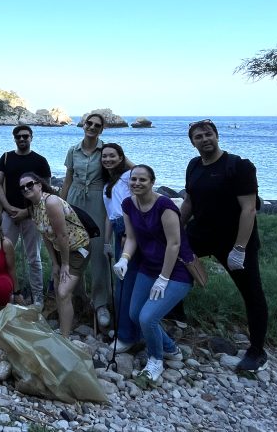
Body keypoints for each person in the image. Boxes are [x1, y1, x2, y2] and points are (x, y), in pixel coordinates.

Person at [180, 119, 268, 372]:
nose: (204, 139)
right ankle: (176, 314)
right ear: (193, 142)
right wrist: (174, 231)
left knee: (251, 293)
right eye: (198, 136)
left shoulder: (238, 166)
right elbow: (189, 202)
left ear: (217, 136)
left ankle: (257, 350)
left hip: (235, 240)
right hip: (202, 233)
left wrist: (239, 249)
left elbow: (249, 209)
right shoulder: (194, 166)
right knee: (171, 261)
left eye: (208, 134)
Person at [118, 164, 194, 383]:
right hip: (148, 267)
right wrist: (125, 258)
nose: (137, 183)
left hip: (175, 271)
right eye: (134, 179)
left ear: (152, 182)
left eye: (143, 180)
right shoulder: (128, 204)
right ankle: (171, 348)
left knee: (148, 317)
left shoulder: (165, 205)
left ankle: (156, 359)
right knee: (134, 315)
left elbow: (174, 244)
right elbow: (131, 238)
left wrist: (163, 278)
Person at [20, 172, 90, 336]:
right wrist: (55, 263)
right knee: (59, 290)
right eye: (22, 188)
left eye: (29, 184)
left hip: (78, 248)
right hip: (61, 250)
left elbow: (62, 235)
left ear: (39, 184)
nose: (26, 188)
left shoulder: (50, 201)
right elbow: (46, 235)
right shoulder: (33, 207)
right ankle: (63, 327)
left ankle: (64, 338)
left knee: (63, 292)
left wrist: (65, 264)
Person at [61, 113, 111, 328]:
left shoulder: (106, 151)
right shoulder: (73, 150)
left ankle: (101, 303)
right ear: (83, 125)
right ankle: (77, 296)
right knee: (75, 249)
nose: (91, 127)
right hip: (75, 199)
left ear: (102, 129)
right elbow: (68, 179)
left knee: (99, 252)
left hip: (98, 200)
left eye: (97, 125)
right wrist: (59, 205)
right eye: (89, 123)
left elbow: (118, 175)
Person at [0, 124, 50, 309]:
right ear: (14, 138)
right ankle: (8, 293)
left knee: (34, 258)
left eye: (25, 136)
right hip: (9, 214)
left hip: (32, 215)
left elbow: (47, 190)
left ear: (31, 137)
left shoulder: (40, 161)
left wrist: (27, 212)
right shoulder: (7, 157)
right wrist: (8, 208)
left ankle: (38, 297)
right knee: (4, 255)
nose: (22, 139)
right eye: (18, 136)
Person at [100, 143, 139, 351]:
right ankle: (126, 330)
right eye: (104, 156)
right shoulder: (110, 182)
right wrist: (106, 242)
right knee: (122, 282)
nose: (107, 160)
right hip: (117, 228)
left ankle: (127, 336)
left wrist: (124, 159)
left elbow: (141, 170)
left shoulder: (127, 177)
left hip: (128, 228)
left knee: (126, 283)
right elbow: (109, 215)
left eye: (112, 156)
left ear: (122, 157)